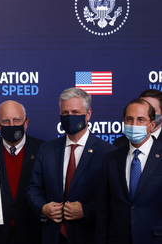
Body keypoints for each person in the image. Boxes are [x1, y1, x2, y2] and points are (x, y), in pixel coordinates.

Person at [27, 87, 114, 244]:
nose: (69, 117)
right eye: (65, 113)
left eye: (75, 112)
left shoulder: (107, 152)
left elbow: (113, 198)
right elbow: (33, 188)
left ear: (88, 115)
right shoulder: (47, 149)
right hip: (53, 236)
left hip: (90, 235)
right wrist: (43, 208)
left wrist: (86, 210)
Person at [96, 98, 162, 244]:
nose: (134, 125)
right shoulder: (111, 159)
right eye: (129, 119)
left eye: (140, 120)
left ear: (151, 125)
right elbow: (103, 209)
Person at [0, 100, 43, 244]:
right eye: (6, 121)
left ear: (26, 123)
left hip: (34, 233)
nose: (12, 125)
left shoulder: (43, 150)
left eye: (17, 120)